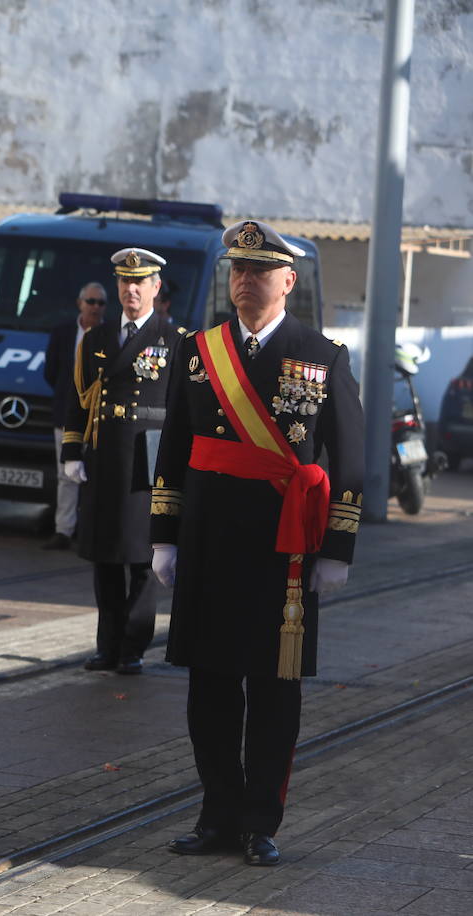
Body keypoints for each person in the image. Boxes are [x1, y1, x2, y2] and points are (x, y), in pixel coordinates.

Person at [152, 220, 363, 866]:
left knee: (273, 692)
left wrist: (337, 549)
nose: (245, 281)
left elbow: (350, 463)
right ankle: (217, 813)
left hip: (284, 554)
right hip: (210, 543)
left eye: (259, 272)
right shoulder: (198, 351)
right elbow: (174, 450)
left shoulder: (322, 356)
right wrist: (165, 535)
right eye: (237, 271)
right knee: (210, 689)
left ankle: (259, 821)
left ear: (288, 282)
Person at [61, 248, 184, 675]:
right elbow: (78, 401)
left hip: (147, 463)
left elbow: (183, 410)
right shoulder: (96, 338)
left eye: (140, 282)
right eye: (124, 282)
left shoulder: (176, 340)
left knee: (142, 560)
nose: (131, 290)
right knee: (105, 558)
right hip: (105, 460)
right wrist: (72, 451)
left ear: (155, 288)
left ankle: (133, 645)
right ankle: (106, 645)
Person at [42, 282, 106, 549]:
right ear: (80, 303)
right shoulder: (63, 332)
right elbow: (51, 372)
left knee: (96, 476)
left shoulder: (109, 334)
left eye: (101, 303)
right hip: (66, 416)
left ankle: (91, 530)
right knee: (65, 475)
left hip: (99, 421)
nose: (95, 308)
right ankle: (64, 530)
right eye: (91, 301)